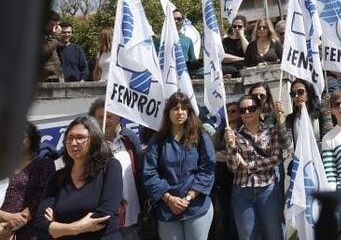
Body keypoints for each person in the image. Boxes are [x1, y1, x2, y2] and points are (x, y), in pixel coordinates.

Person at [35, 116, 122, 239]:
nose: (73, 143)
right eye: (69, 138)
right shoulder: (57, 177)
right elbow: (40, 225)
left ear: (94, 140)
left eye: (80, 137)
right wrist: (76, 227)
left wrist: (58, 225)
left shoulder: (110, 167)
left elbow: (104, 215)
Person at [143, 92, 215, 240]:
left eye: (184, 108)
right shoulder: (158, 140)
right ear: (168, 112)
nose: (179, 112)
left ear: (189, 112)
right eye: (175, 108)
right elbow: (149, 173)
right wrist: (169, 199)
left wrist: (189, 197)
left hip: (196, 207)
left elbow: (208, 169)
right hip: (167, 209)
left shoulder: (201, 137)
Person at [223, 94, 291, 240]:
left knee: (274, 234)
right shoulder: (234, 136)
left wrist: (250, 166)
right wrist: (231, 147)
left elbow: (276, 158)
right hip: (242, 191)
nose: (247, 112)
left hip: (267, 189)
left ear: (259, 110)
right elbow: (233, 167)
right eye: (243, 110)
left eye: (251, 108)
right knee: (247, 236)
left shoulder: (271, 131)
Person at [89, 99, 145, 240]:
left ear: (119, 117)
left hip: (133, 216)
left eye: (109, 116)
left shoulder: (130, 140)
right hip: (105, 220)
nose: (105, 121)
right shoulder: (91, 147)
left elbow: (141, 171)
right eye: (100, 117)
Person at [0, 123, 55, 239]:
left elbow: (40, 199)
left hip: (30, 232)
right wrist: (6, 219)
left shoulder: (43, 164)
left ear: (32, 139)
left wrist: (10, 227)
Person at [209, 103, 239, 240]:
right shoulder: (220, 132)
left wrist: (228, 155)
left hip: (239, 181)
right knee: (224, 218)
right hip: (222, 182)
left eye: (234, 111)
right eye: (228, 111)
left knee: (237, 219)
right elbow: (212, 153)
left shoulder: (243, 129)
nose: (231, 114)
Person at [285, 78, 331, 145]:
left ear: (309, 93)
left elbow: (328, 137)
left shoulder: (321, 112)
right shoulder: (290, 118)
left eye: (300, 92)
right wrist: (281, 121)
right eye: (293, 94)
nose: (297, 96)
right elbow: (287, 144)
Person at [40, 10, 65, 82]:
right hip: (46, 78)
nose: (54, 28)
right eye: (52, 25)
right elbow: (43, 51)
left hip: (56, 76)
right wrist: (56, 36)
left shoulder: (51, 36)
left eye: (56, 25)